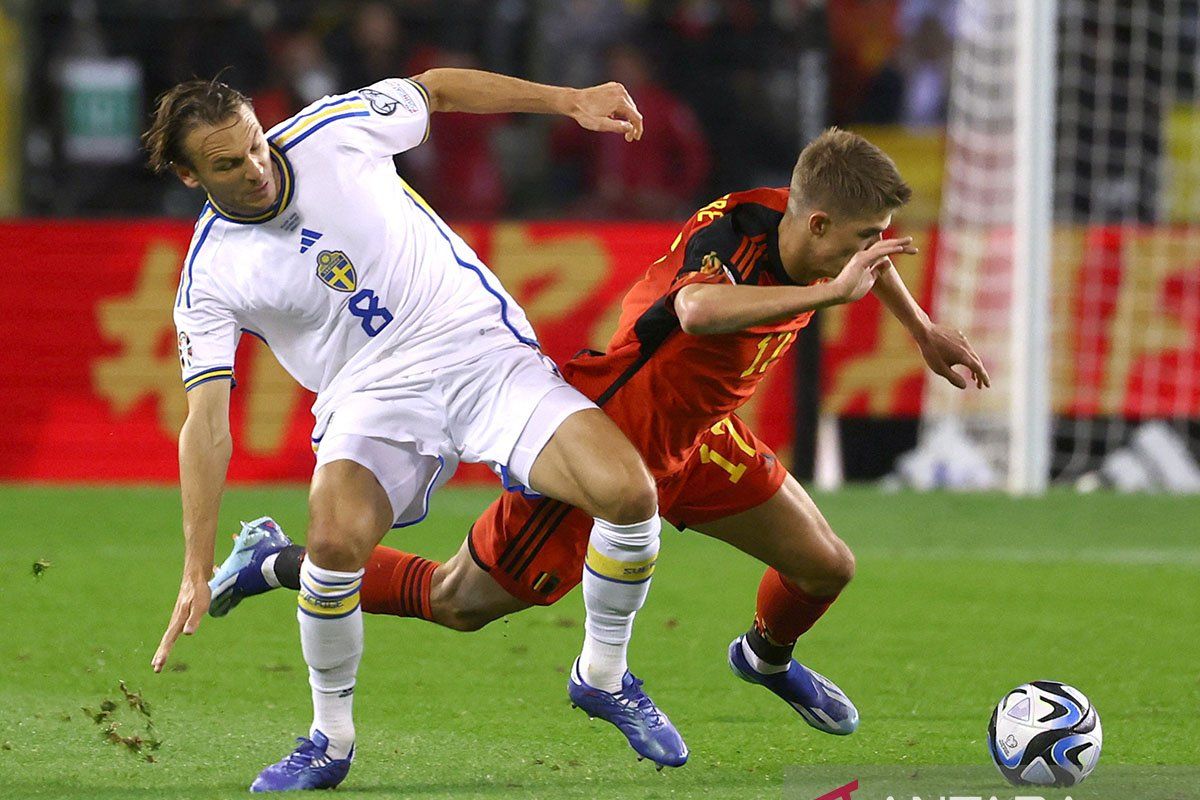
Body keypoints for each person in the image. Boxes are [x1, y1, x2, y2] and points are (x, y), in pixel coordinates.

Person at [209, 128, 991, 752]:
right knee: (458, 602)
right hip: (604, 439)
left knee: (825, 567)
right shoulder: (734, 237)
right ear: (816, 224)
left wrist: (921, 331)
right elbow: (696, 314)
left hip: (698, 440)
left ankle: (764, 659)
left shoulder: (814, 228)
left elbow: (863, 263)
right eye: (862, 240)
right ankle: (274, 561)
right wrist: (833, 291)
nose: (870, 257)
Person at [144, 69, 690, 792]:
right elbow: (206, 425)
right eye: (226, 164)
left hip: (474, 348)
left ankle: (603, 674)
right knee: (335, 544)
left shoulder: (332, 132)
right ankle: (328, 741)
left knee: (628, 495)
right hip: (368, 395)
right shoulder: (209, 276)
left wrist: (570, 101)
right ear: (188, 176)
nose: (256, 168)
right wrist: (193, 565)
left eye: (254, 145)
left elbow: (435, 90)